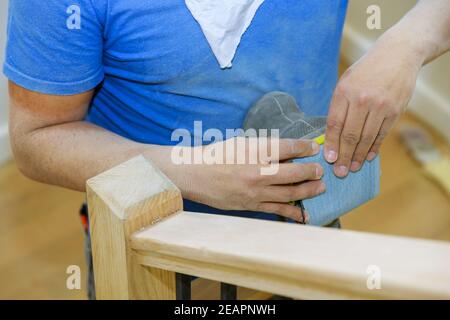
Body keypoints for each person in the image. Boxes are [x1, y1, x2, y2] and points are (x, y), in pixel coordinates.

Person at [3, 0, 449, 298]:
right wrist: (188, 172)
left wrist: (409, 42)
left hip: (307, 227)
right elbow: (37, 138)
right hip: (150, 251)